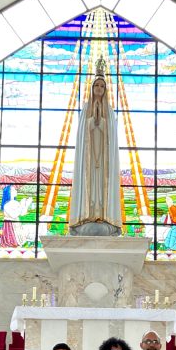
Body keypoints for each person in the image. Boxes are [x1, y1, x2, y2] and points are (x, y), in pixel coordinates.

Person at [69, 62, 121, 237]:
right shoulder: (85, 108)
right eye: (96, 85)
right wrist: (93, 120)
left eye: (102, 86)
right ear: (92, 89)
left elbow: (112, 137)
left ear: (106, 90)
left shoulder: (110, 110)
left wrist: (103, 122)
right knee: (90, 184)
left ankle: (105, 217)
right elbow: (83, 132)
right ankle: (87, 216)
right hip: (89, 159)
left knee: (102, 185)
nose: (99, 88)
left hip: (104, 160)